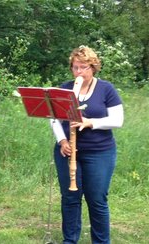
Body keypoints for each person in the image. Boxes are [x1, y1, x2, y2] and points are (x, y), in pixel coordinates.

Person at [50, 45, 123, 244]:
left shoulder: (106, 88)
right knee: (70, 198)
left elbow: (118, 120)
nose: (79, 72)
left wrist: (90, 122)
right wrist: (62, 140)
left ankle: (100, 241)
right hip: (67, 151)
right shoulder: (65, 88)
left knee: (97, 199)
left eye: (84, 67)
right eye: (76, 67)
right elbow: (54, 118)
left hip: (99, 152)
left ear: (93, 67)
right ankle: (70, 240)